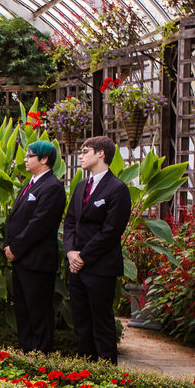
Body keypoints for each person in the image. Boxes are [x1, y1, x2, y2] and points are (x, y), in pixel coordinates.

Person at [63, 135, 132, 364]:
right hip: (76, 266)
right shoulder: (82, 185)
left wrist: (84, 256)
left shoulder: (117, 188)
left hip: (100, 267)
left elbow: (111, 230)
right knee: (81, 321)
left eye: (85, 151)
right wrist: (71, 252)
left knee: (101, 321)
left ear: (101, 153)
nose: (80, 156)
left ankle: (105, 373)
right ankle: (84, 369)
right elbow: (70, 221)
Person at [3, 140, 66, 353]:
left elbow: (39, 224)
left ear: (44, 159)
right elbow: (14, 220)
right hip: (21, 259)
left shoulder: (52, 187)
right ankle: (26, 351)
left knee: (38, 311)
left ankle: (40, 355)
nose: (25, 159)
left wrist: (15, 248)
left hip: (37, 260)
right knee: (23, 309)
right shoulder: (29, 184)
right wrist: (7, 245)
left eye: (30, 156)